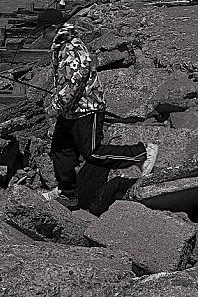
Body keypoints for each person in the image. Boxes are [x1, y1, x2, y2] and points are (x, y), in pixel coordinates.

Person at [42, 21, 158, 210]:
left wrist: (56, 104)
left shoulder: (72, 47)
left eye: (43, 30)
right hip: (71, 111)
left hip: (88, 108)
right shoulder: (62, 46)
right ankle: (67, 193)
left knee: (93, 153)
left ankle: (141, 153)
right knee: (60, 150)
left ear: (53, 28)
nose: (42, 36)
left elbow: (75, 82)